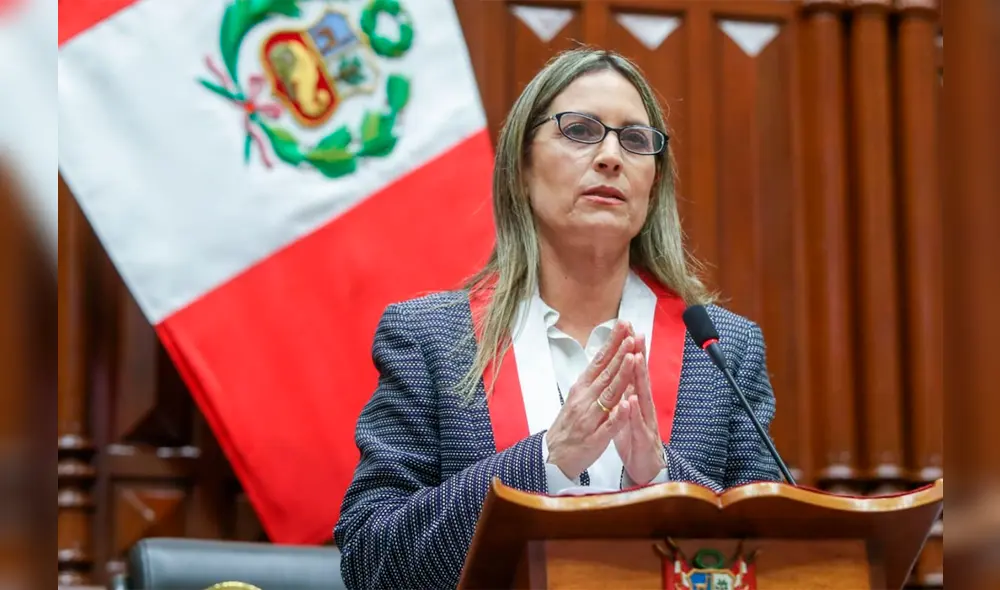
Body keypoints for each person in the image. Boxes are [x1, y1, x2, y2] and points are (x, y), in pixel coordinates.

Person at [333, 47, 782, 589]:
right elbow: (368, 561)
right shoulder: (431, 339)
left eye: (635, 140)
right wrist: (546, 459)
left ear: (654, 184)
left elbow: (773, 558)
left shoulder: (721, 350)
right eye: (580, 130)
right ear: (520, 168)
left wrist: (662, 479)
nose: (611, 156)